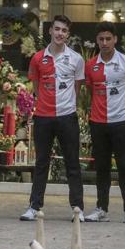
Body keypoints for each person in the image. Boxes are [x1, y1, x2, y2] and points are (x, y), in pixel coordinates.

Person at [19, 15, 85, 222]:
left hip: (67, 117)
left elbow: (77, 88)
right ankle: (34, 206)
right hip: (43, 117)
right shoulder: (38, 58)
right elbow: (36, 87)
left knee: (73, 164)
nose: (60, 33)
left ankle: (78, 208)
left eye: (64, 31)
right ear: (50, 31)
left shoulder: (76, 59)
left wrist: (66, 106)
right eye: (57, 29)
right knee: (41, 163)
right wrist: (44, 105)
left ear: (68, 34)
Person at [83, 21, 125, 224]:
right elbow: (90, 90)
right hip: (98, 123)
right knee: (102, 167)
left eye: (108, 38)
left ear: (115, 39)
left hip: (121, 122)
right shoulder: (90, 65)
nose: (105, 42)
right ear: (96, 41)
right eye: (101, 39)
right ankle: (101, 208)